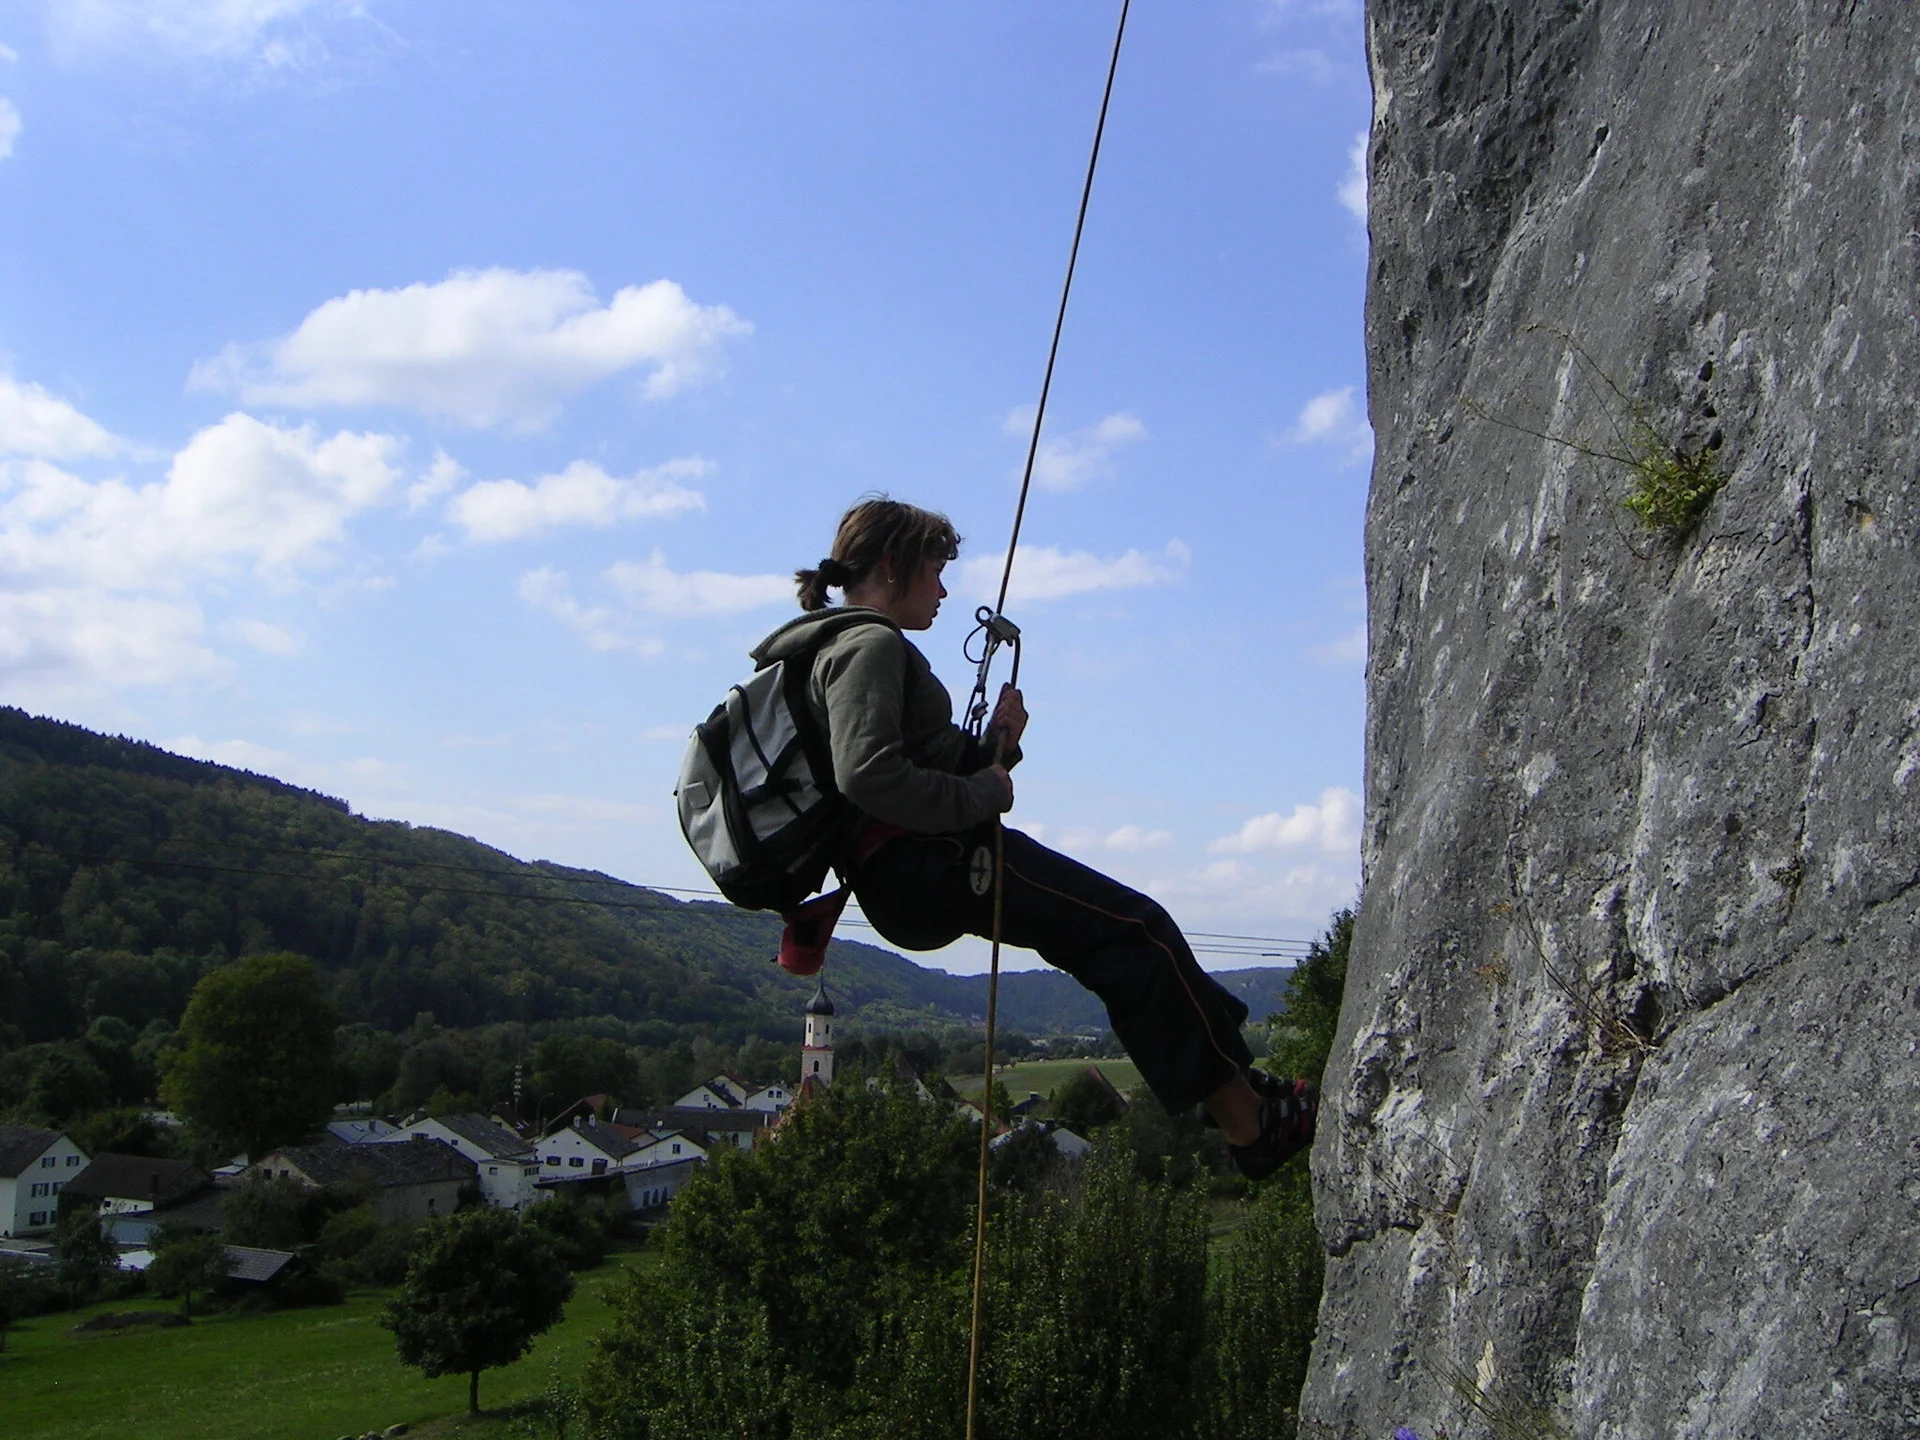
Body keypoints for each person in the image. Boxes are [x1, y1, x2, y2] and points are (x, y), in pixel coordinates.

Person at [750, 496, 1316, 1179]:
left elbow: (906, 768)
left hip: (911, 869)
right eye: (936, 571)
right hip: (930, 861)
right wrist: (983, 793)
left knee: (1123, 934)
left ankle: (1239, 1089)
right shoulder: (867, 645)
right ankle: (1251, 1129)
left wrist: (998, 746)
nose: (944, 590)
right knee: (1132, 930)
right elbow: (868, 775)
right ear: (895, 566)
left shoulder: (829, 646)